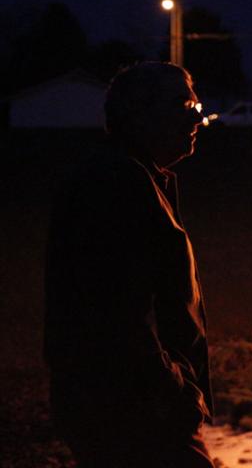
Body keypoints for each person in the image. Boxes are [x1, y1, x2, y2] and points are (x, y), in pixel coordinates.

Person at [44, 61, 213, 467]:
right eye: (183, 104)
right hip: (130, 408)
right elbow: (116, 312)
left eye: (195, 104)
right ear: (138, 114)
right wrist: (174, 390)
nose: (196, 116)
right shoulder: (116, 184)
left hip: (134, 403)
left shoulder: (139, 177)